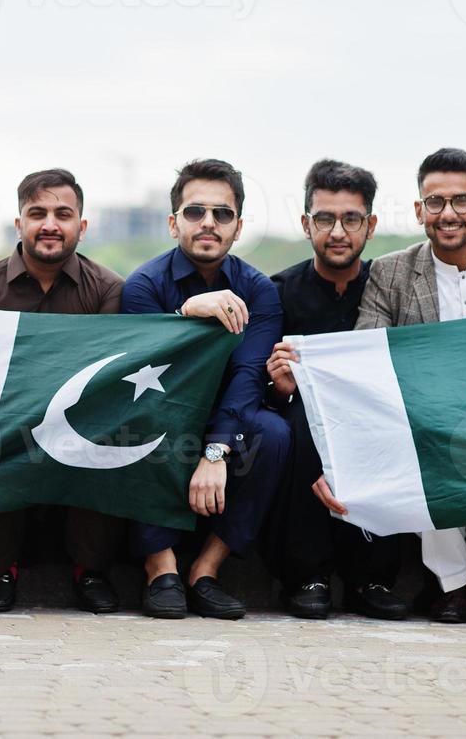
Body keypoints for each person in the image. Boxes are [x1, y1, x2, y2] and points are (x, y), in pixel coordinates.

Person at [325, 147, 466, 626]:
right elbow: (366, 347)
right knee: (416, 438)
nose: (449, 214)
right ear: (420, 210)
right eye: (436, 203)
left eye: (461, 202)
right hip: (428, 413)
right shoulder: (391, 271)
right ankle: (454, 585)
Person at [121, 158, 291, 620]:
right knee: (137, 425)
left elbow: (248, 375)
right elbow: (144, 377)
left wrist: (215, 451)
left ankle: (205, 571)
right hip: (158, 410)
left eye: (223, 214)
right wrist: (182, 317)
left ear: (238, 227)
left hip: (226, 415)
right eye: (196, 212)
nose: (209, 223)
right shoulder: (143, 286)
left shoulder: (258, 290)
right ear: (174, 222)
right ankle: (161, 568)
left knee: (273, 433)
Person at [0, 168, 127, 614]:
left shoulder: (108, 289)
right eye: (37, 213)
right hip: (7, 422)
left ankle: (89, 570)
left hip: (78, 418)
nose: (50, 224)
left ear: (81, 226)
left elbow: (108, 376)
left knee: (114, 439)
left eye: (62, 213)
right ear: (20, 224)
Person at [265, 159, 407, 621]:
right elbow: (259, 382)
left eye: (351, 219)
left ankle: (373, 577)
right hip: (304, 422)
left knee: (392, 431)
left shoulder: (388, 287)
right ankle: (308, 575)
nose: (338, 231)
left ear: (371, 226)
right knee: (298, 428)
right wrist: (279, 384)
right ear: (307, 224)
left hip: (374, 415)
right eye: (325, 218)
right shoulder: (278, 291)